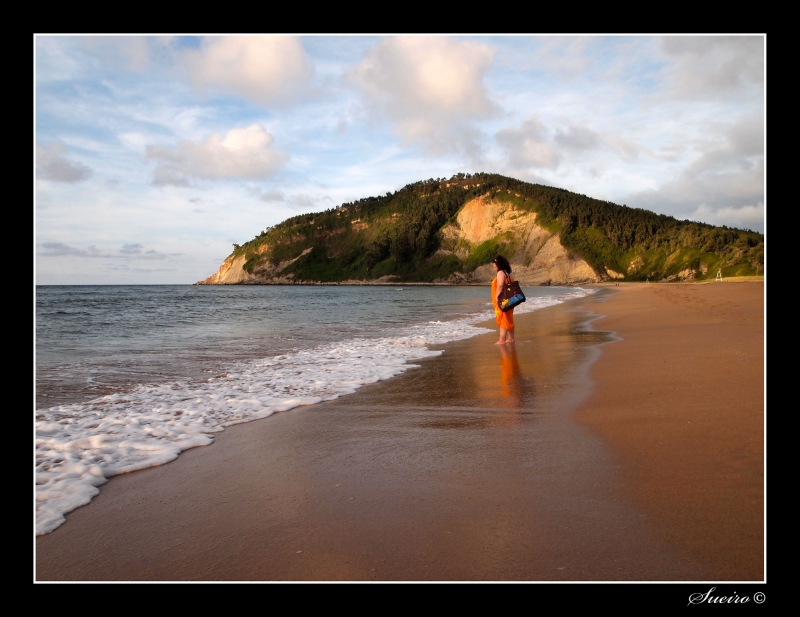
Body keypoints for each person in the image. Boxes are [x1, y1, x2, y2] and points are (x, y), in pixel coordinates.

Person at [491, 255, 515, 344]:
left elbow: (500, 285)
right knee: (509, 318)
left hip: (503, 299)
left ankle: (502, 340)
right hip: (511, 298)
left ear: (499, 265)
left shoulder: (500, 273)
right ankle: (511, 338)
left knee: (502, 319)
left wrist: (497, 297)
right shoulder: (509, 273)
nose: (494, 268)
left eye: (495, 266)